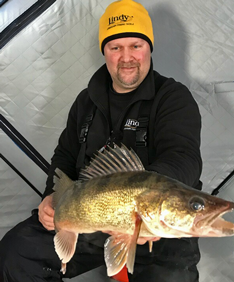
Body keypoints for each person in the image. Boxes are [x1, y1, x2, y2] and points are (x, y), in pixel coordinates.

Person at [0, 0, 202, 281]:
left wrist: (147, 215)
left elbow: (184, 158)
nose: (127, 57)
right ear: (104, 52)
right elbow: (65, 157)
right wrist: (52, 197)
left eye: (136, 45)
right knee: (16, 252)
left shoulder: (173, 98)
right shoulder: (85, 101)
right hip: (89, 221)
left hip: (156, 230)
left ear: (149, 48)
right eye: (115, 47)